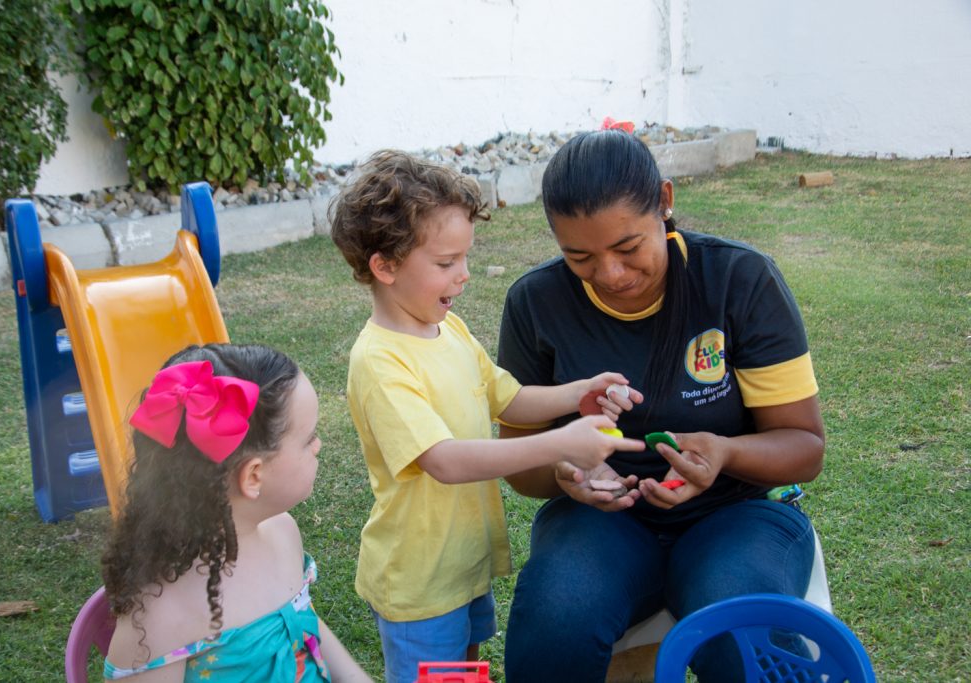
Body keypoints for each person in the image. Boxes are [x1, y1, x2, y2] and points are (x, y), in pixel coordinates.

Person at [497, 130, 825, 683]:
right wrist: (563, 466)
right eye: (579, 257)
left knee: (736, 619)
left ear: (665, 202)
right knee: (557, 613)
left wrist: (723, 453)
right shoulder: (536, 304)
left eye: (628, 248)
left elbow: (804, 448)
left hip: (735, 517)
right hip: (602, 526)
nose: (611, 274)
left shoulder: (738, 281)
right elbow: (521, 465)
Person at [329, 150, 644, 683]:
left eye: (465, 259)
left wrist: (580, 392)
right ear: (384, 266)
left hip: (463, 565)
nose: (465, 275)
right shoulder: (380, 361)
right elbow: (445, 461)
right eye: (447, 263)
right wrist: (561, 444)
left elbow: (508, 397)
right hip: (420, 583)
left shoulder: (446, 329)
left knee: (466, 671)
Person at [102, 344, 372, 682]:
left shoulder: (282, 532)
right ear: (253, 476)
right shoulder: (159, 619)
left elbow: (306, 624)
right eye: (309, 439)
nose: (318, 445)